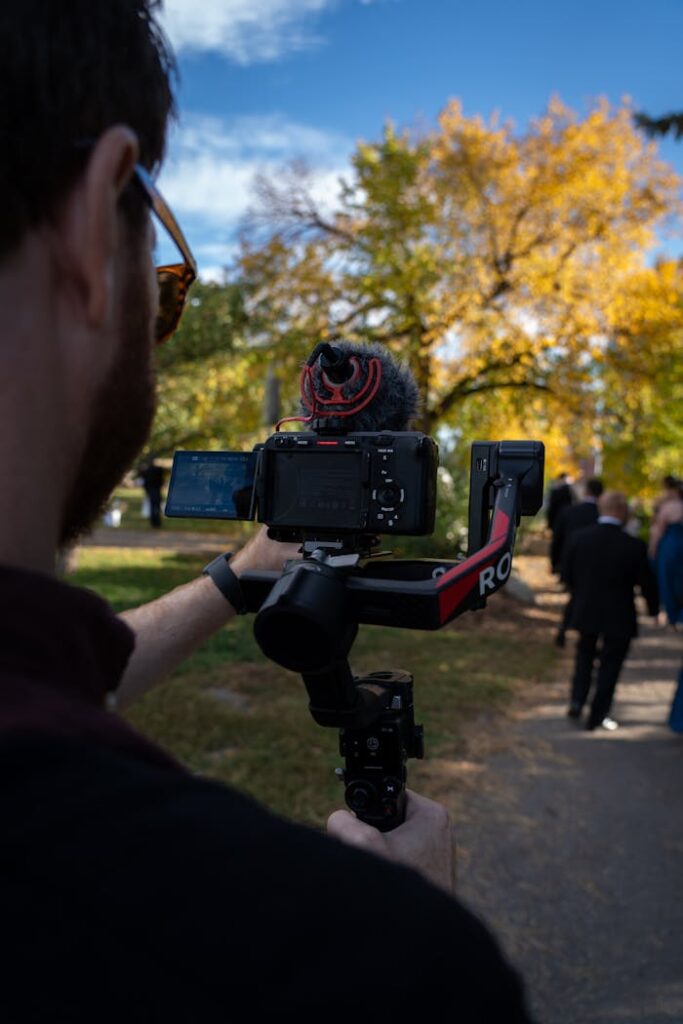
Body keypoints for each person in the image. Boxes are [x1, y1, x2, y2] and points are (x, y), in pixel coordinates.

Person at [0, 4, 532, 1020]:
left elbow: (56, 677)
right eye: (164, 275)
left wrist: (236, 575)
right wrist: (399, 932)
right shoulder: (347, 963)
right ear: (89, 220)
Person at [562, 491, 659, 731]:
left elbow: (567, 575)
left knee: (584, 656)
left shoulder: (579, 538)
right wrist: (653, 610)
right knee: (610, 665)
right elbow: (646, 582)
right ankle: (598, 713)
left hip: (587, 609)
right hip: (619, 614)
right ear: (622, 511)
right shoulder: (633, 545)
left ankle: (577, 699)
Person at [552, 477, 604, 646]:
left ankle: (566, 628)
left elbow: (557, 539)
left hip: (572, 562)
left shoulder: (569, 512)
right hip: (597, 565)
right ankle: (585, 635)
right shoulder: (602, 514)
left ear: (586, 491)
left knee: (575, 596)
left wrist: (555, 562)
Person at [648, 476, 683, 627]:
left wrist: (652, 548)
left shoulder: (668, 507)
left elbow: (659, 531)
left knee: (668, 580)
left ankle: (673, 616)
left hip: (671, 546)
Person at [139, 458, 165, 527]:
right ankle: (157, 522)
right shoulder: (158, 470)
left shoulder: (147, 471)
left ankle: (154, 522)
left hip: (151, 490)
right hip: (156, 490)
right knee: (157, 506)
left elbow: (145, 482)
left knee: (152, 506)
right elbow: (161, 480)